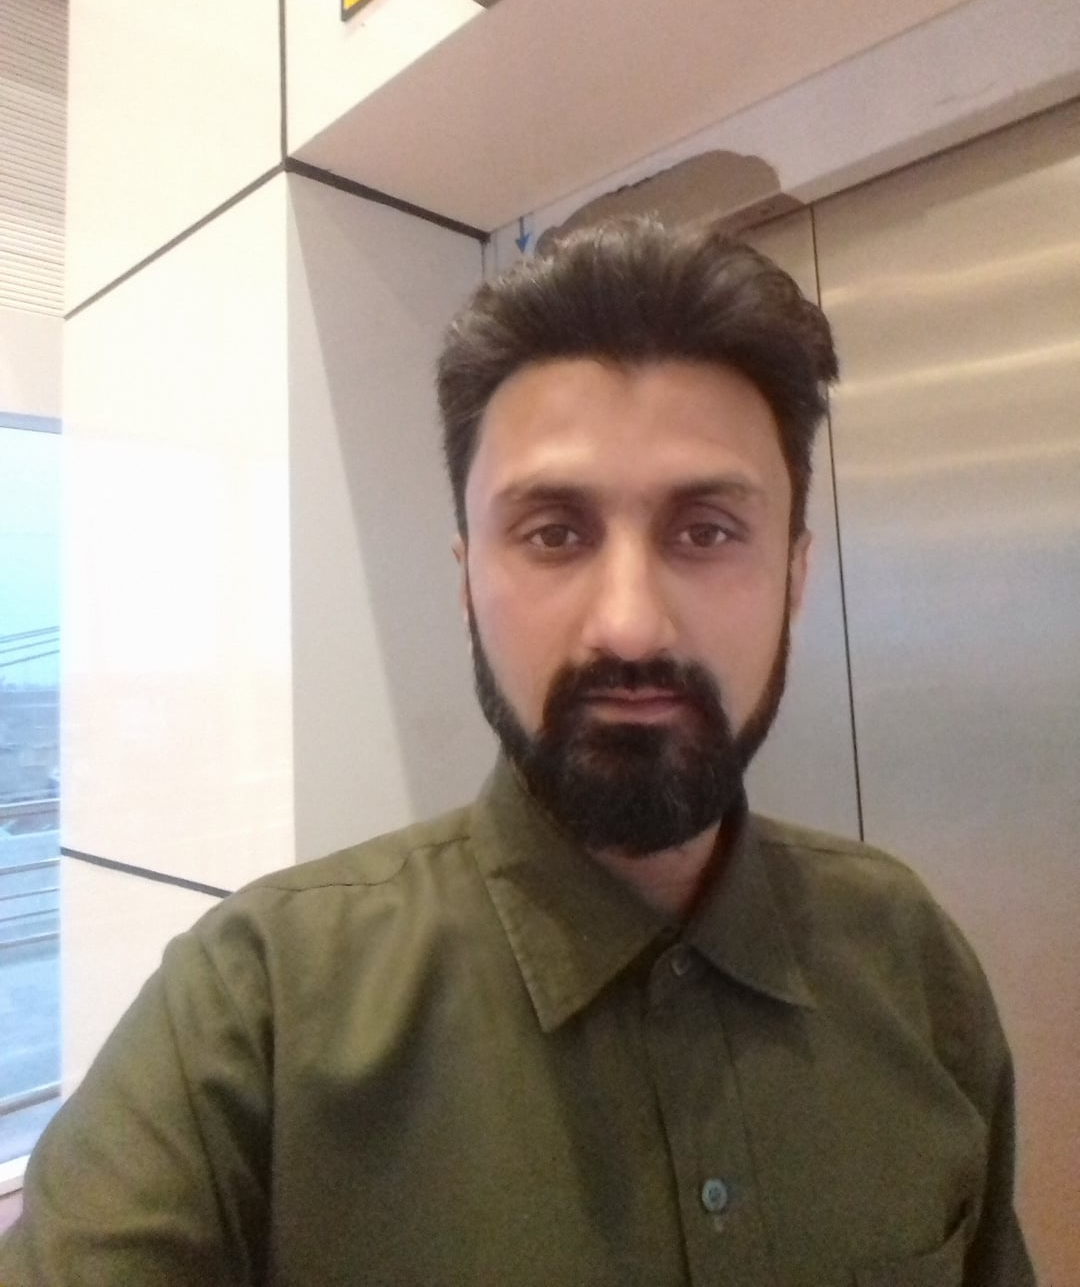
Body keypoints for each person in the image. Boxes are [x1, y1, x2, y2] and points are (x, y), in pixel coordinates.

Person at [0, 219, 1033, 1286]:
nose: (630, 625)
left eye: (706, 531)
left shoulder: (909, 957)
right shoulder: (254, 1010)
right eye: (554, 534)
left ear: (796, 578)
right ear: (464, 581)